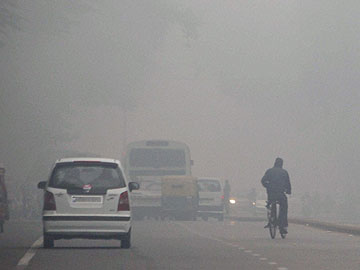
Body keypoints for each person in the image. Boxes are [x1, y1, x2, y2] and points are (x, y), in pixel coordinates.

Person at [261, 157, 291, 234]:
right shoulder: (284, 172)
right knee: (284, 207)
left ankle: (271, 220)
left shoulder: (269, 171)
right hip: (281, 194)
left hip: (271, 193)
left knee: (270, 204)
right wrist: (288, 191)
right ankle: (282, 225)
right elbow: (288, 183)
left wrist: (267, 186)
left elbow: (263, 181)